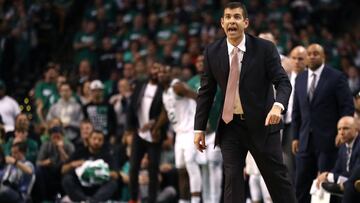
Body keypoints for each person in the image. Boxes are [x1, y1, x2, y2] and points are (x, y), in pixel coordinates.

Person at [193, 2, 295, 203]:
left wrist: (277, 106)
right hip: (231, 125)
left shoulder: (265, 48)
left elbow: (283, 82)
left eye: (237, 17)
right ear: (222, 23)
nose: (232, 20)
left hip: (262, 124)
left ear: (245, 22)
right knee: (232, 179)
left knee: (276, 178)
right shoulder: (212, 51)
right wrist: (199, 129)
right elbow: (206, 92)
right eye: (228, 17)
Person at [292, 43, 355, 203]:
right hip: (305, 140)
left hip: (329, 140)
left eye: (316, 53)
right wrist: (295, 137)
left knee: (326, 183)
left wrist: (343, 133)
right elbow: (296, 111)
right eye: (310, 54)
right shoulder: (300, 78)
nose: (312, 56)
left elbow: (347, 106)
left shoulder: (336, 77)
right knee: (301, 183)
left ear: (323, 57)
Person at [158, 65, 203, 203]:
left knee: (191, 164)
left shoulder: (176, 86)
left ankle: (196, 199)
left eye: (165, 71)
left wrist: (202, 120)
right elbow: (166, 113)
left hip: (190, 130)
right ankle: (184, 200)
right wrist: (155, 128)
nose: (161, 74)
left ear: (170, 73)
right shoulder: (165, 93)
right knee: (181, 169)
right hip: (179, 134)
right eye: (159, 73)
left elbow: (197, 97)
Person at [126, 62, 164, 203]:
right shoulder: (141, 85)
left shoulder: (164, 89)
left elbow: (164, 111)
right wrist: (129, 129)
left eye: (159, 70)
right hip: (139, 133)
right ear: (149, 70)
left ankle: (151, 200)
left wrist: (154, 123)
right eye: (154, 68)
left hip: (154, 134)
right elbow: (132, 106)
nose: (156, 72)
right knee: (133, 168)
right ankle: (134, 199)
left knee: (153, 170)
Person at [283, 46, 307, 181]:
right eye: (294, 58)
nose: (296, 61)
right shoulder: (283, 78)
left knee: (300, 167)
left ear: (307, 60)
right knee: (287, 167)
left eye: (300, 59)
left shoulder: (311, 78)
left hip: (302, 127)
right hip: (284, 125)